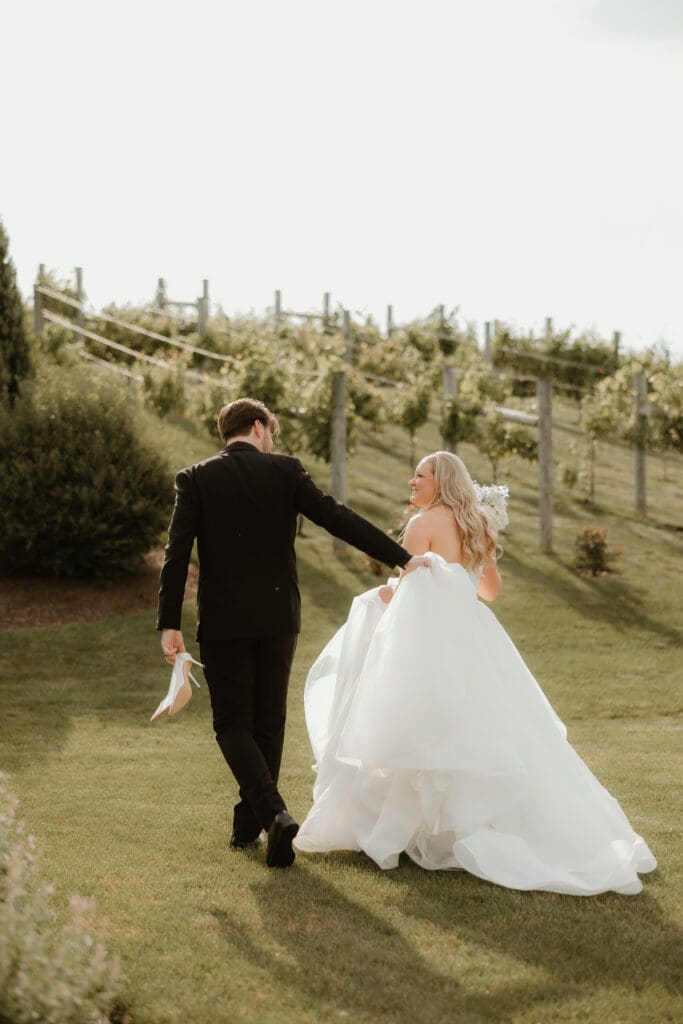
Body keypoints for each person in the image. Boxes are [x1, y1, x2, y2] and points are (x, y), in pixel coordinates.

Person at [294, 451, 657, 895]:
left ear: (440, 481)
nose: (412, 481)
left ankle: (416, 831)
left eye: (420, 475)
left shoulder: (421, 525)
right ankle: (457, 826)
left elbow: (409, 591)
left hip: (426, 643)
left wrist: (379, 598)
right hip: (472, 638)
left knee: (419, 728)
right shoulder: (479, 524)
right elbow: (489, 591)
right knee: (480, 729)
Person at [156, 397, 426, 869]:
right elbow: (336, 517)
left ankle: (270, 815)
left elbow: (176, 553)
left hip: (222, 622)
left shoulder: (195, 478)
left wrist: (169, 623)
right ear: (260, 428)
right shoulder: (285, 472)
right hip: (279, 616)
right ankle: (253, 823)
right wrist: (400, 557)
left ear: (230, 432)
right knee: (268, 722)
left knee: (231, 723)